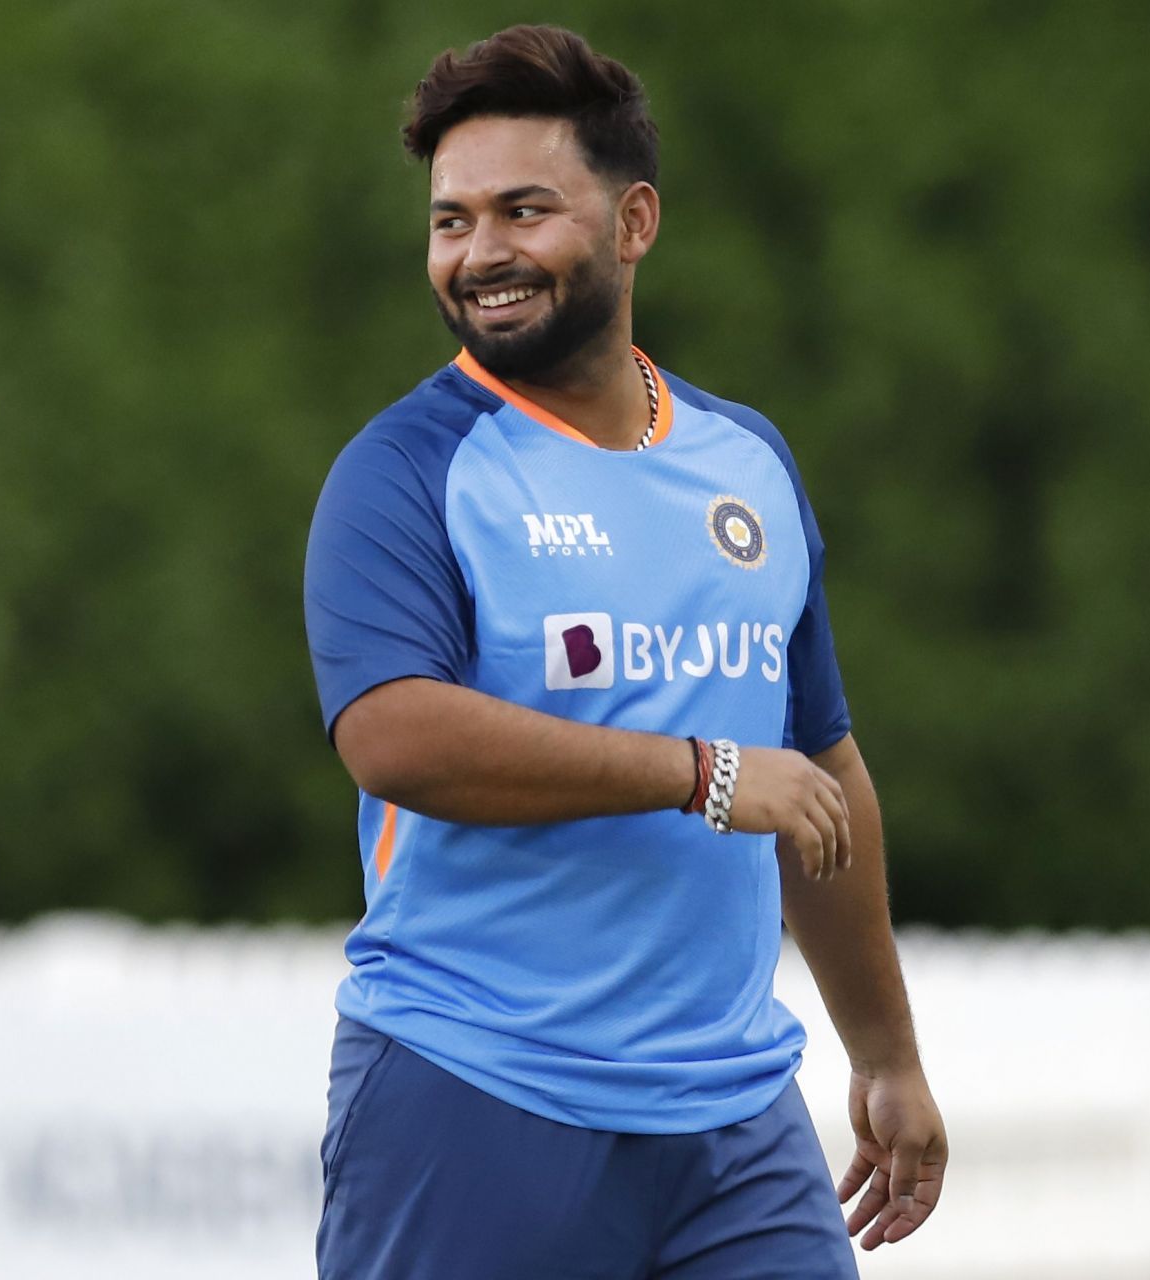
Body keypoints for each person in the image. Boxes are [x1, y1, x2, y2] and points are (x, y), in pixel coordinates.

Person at [304, 24, 946, 1280]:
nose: (480, 252)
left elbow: (819, 772)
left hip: (734, 1117)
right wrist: (700, 769)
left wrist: (884, 1054)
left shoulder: (745, 460)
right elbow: (393, 733)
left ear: (634, 219)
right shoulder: (404, 473)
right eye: (450, 221)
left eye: (523, 209)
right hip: (476, 1088)